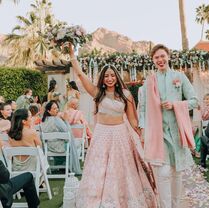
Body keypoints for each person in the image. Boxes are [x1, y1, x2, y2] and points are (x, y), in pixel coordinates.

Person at [69, 44, 157, 208]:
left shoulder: (126, 95)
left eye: (112, 75)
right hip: (102, 134)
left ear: (117, 77)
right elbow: (80, 74)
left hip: (120, 135)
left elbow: (132, 120)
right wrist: (72, 56)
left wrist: (142, 135)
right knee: (99, 167)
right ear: (102, 79)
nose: (109, 78)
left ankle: (123, 199)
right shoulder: (97, 93)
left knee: (121, 167)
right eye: (106, 76)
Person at [139, 44, 199, 207]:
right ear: (153, 60)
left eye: (162, 56)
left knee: (177, 171)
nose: (160, 60)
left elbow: (195, 101)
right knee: (164, 172)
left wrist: (175, 104)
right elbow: (143, 108)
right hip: (158, 133)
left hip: (177, 131)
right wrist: (143, 130)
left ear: (168, 57)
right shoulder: (149, 82)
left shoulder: (179, 77)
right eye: (156, 57)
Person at [41, 100, 81, 175]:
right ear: (49, 111)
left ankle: (62, 165)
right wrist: (65, 120)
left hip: (47, 147)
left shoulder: (44, 120)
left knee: (68, 142)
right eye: (54, 109)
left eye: (57, 108)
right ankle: (70, 166)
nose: (57, 110)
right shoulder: (56, 120)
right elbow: (68, 133)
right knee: (76, 144)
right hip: (59, 148)